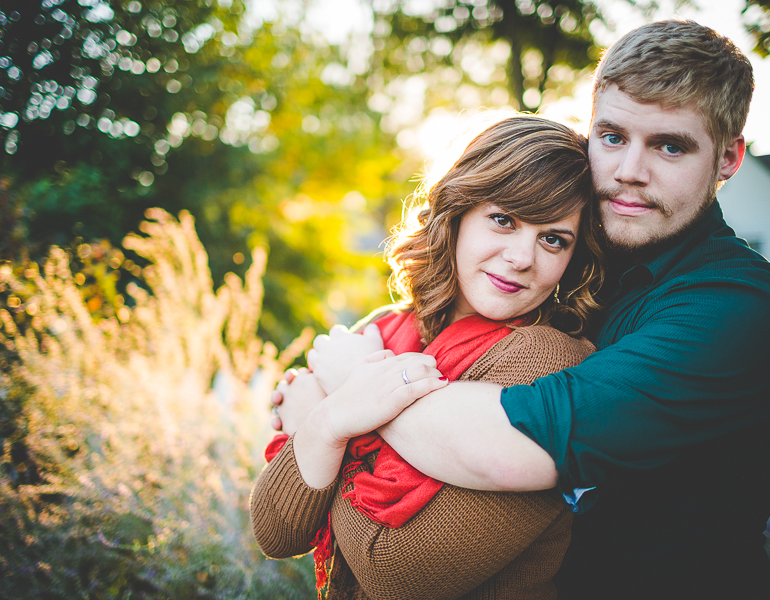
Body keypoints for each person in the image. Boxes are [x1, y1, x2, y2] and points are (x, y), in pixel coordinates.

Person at [303, 20, 770, 600]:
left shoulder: (735, 309)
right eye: (613, 137)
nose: (628, 172)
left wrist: (349, 389)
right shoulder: (579, 262)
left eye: (670, 146)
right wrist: (342, 366)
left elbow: (514, 445)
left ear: (727, 159)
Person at [250, 115, 606, 599]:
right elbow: (275, 532)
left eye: (553, 238)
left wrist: (326, 419)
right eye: (504, 219)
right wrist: (333, 419)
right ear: (458, 212)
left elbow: (395, 575)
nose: (523, 257)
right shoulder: (385, 327)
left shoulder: (548, 361)